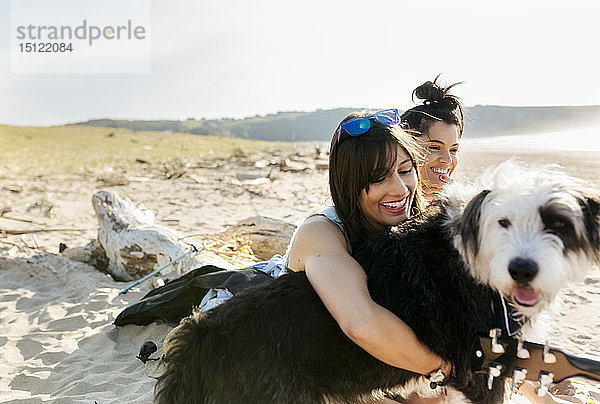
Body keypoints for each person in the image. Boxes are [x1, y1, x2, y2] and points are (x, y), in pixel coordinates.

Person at [400, 75, 464, 205]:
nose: (447, 160)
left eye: (453, 150)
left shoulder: (462, 208)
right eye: (434, 147)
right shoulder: (386, 204)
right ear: (404, 147)